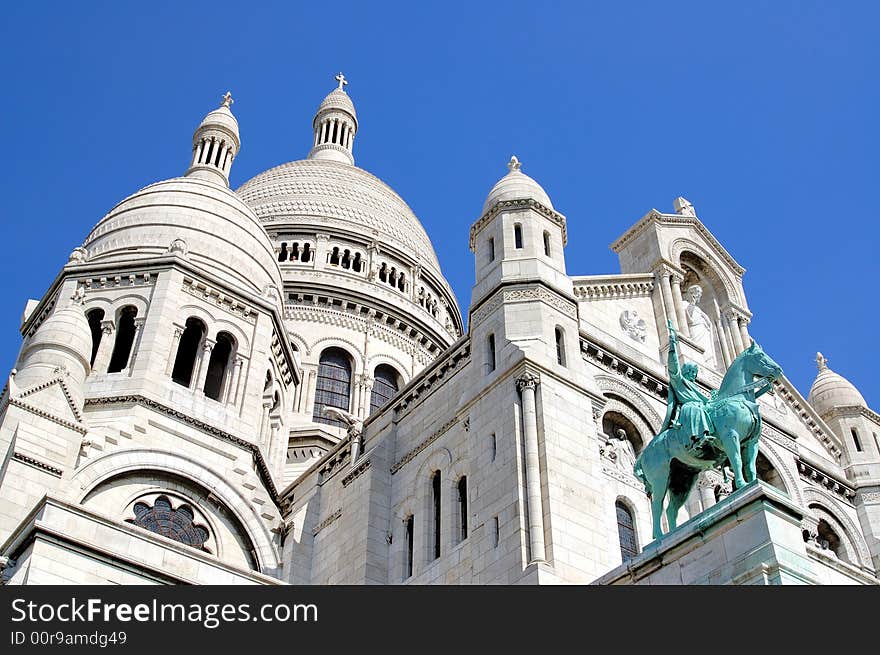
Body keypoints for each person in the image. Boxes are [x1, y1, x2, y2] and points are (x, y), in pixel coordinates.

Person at [660, 320, 713, 452]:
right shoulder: (679, 381)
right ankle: (697, 439)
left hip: (700, 406)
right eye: (692, 373)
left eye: (695, 374)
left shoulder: (694, 387)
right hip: (688, 408)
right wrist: (672, 347)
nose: (694, 376)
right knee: (696, 409)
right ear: (687, 371)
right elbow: (673, 368)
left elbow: (704, 399)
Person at [684, 284, 717, 368]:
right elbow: (688, 319)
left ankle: (708, 365)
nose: (699, 296)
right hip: (694, 330)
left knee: (707, 351)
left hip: (703, 332)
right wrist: (692, 304)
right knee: (697, 346)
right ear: (691, 293)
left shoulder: (699, 309)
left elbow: (709, 323)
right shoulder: (684, 304)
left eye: (700, 294)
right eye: (697, 293)